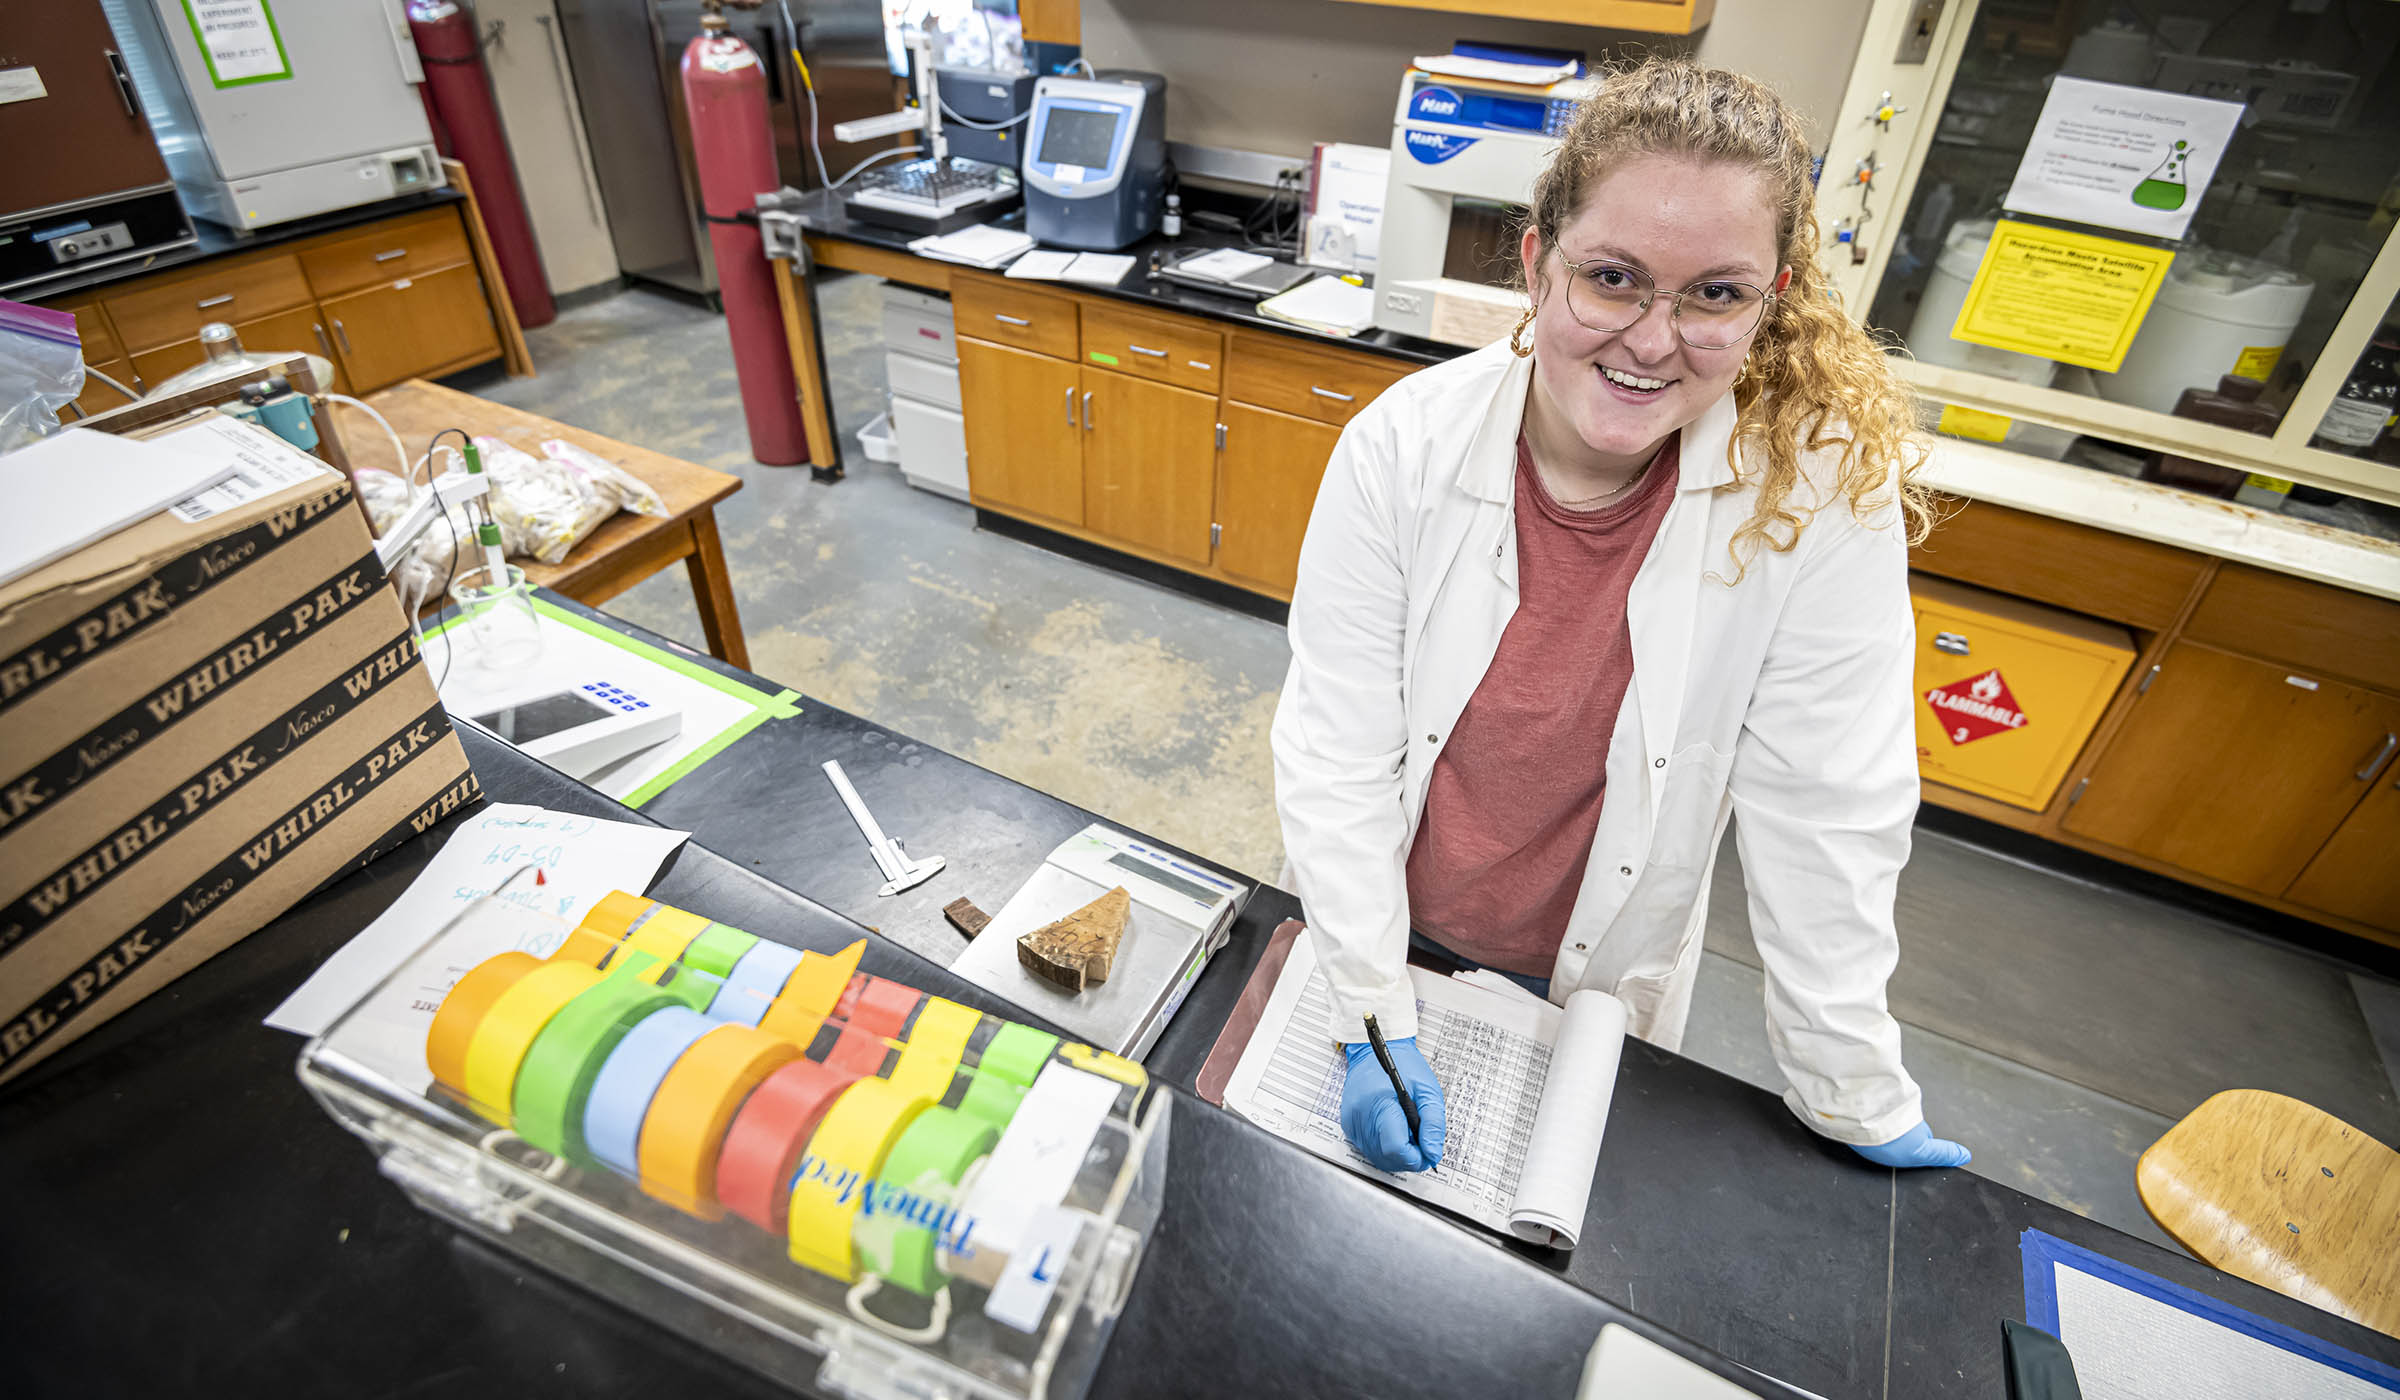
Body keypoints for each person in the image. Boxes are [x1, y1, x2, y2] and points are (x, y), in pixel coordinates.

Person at [1272, 58, 1970, 1178]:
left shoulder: (1817, 493)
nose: (1653, 340)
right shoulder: (1405, 446)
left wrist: (1848, 1080)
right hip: (1377, 917)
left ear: (1771, 298)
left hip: (1598, 977)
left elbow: (1830, 805)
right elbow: (1338, 746)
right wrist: (1368, 1005)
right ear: (1539, 263)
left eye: (1715, 294)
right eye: (1613, 278)